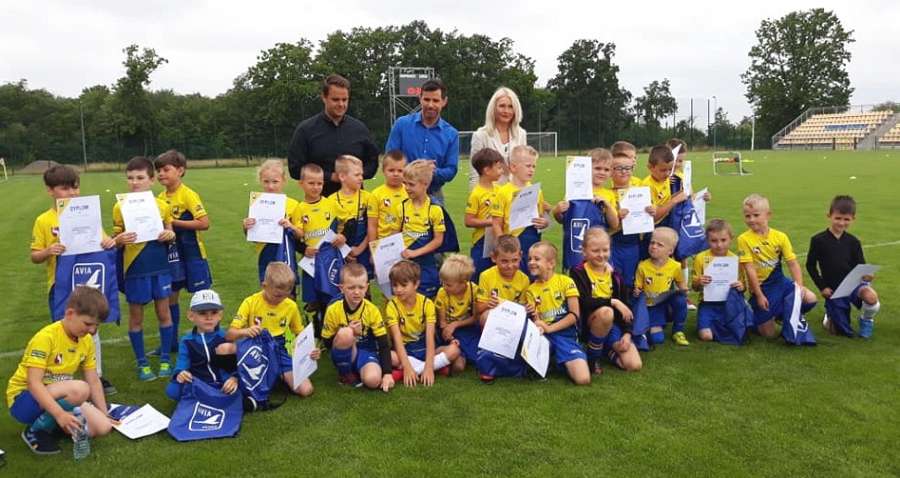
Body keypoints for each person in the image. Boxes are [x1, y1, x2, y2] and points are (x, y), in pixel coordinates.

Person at [30, 164, 117, 394]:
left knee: (91, 329)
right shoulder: (44, 220)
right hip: (60, 286)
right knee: (61, 330)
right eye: (65, 188)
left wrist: (108, 242)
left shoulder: (88, 216)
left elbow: (103, 242)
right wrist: (48, 251)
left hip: (87, 284)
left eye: (75, 187)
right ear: (50, 191)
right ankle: (59, 377)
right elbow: (35, 256)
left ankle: (96, 376)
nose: (72, 193)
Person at [7, 287, 116, 455]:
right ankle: (36, 430)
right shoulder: (46, 337)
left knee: (103, 427)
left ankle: (54, 425)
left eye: (96, 325)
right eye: (88, 324)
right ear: (70, 313)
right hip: (24, 400)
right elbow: (34, 383)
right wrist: (59, 414)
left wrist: (104, 413)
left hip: (56, 394)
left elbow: (94, 380)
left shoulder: (87, 341)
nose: (92, 330)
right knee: (80, 389)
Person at [112, 156, 177, 381]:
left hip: (160, 267)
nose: (134, 182)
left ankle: (166, 359)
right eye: (130, 178)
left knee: (164, 313)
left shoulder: (162, 206)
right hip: (135, 269)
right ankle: (142, 363)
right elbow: (114, 240)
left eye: (140, 178)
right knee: (136, 317)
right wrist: (119, 239)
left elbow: (171, 233)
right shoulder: (119, 207)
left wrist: (169, 234)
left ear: (151, 180)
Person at [226, 262, 319, 397]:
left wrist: (311, 350)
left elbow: (300, 334)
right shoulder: (250, 302)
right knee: (225, 348)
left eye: (286, 295)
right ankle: (240, 375)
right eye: (277, 295)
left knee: (306, 390)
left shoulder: (291, 306)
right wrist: (246, 331)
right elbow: (230, 334)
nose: (281, 299)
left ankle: (277, 374)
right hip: (257, 346)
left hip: (279, 348)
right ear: (264, 286)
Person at [155, 149, 212, 354]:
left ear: (180, 170)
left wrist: (174, 222)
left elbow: (204, 223)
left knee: (201, 296)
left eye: (166, 169)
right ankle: (171, 342)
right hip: (173, 255)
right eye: (158, 171)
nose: (161, 174)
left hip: (193, 253)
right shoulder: (160, 198)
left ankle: (208, 339)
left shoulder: (188, 194)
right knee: (171, 296)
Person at [737, 194, 817, 338]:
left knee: (810, 298)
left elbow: (792, 263)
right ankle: (755, 316)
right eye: (747, 216)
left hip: (780, 282)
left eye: (756, 215)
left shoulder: (780, 237)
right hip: (762, 288)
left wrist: (799, 287)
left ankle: (783, 315)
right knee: (769, 334)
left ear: (768, 215)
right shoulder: (744, 239)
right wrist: (759, 295)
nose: (751, 219)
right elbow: (749, 270)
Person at [287, 74, 379, 197]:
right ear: (324, 97)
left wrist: (356, 175)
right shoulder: (306, 130)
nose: (341, 104)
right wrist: (330, 176)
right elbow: (295, 168)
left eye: (345, 100)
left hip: (355, 202)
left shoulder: (360, 129)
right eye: (335, 99)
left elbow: (372, 162)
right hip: (319, 202)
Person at [806, 195, 879, 338]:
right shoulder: (818, 240)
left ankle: (866, 320)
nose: (841, 223)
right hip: (834, 289)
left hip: (854, 284)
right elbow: (810, 265)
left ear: (853, 219)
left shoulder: (854, 242)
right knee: (838, 331)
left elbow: (861, 265)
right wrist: (822, 287)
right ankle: (830, 314)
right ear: (829, 216)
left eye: (846, 219)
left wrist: (867, 275)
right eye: (838, 218)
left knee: (871, 297)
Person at [569, 228, 641, 374]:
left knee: (633, 365)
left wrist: (627, 333)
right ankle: (593, 357)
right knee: (606, 312)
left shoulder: (615, 276)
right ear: (584, 251)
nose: (601, 255)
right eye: (595, 251)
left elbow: (626, 306)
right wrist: (613, 302)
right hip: (590, 324)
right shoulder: (577, 272)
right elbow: (585, 302)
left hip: (613, 325)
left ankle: (607, 351)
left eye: (605, 250)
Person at [385, 260, 460, 387]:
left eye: (403, 285)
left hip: (426, 348)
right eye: (395, 285)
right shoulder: (392, 306)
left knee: (454, 350)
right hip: (406, 351)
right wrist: (407, 366)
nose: (398, 290)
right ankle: (435, 368)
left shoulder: (427, 304)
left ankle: (409, 372)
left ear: (416, 284)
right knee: (388, 356)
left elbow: (430, 338)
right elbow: (397, 340)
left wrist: (429, 368)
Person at [524, 241, 591, 385]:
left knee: (583, 379)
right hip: (545, 337)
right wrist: (539, 325)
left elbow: (574, 315)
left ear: (551, 263)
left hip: (565, 336)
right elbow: (537, 320)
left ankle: (562, 358)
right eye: (529, 259)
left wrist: (550, 328)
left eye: (536, 259)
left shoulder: (566, 282)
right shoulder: (530, 290)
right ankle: (552, 360)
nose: (531, 262)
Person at [321, 263, 395, 391]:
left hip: (367, 352)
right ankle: (345, 373)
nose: (356, 292)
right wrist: (350, 334)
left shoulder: (372, 310)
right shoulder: (333, 309)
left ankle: (366, 370)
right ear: (341, 288)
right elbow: (327, 342)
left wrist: (387, 373)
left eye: (361, 287)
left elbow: (383, 344)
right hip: (344, 351)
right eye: (351, 288)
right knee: (346, 334)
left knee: (373, 381)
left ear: (367, 287)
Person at [385, 78, 459, 204]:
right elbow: (390, 158)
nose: (430, 105)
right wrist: (415, 170)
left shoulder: (451, 134)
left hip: (434, 196)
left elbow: (451, 170)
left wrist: (431, 172)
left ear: (444, 101)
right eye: (426, 99)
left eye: (435, 100)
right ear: (420, 98)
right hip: (402, 193)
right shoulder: (402, 125)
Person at [474, 235, 531, 384]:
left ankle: (518, 360)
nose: (510, 266)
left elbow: (523, 309)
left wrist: (527, 308)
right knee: (486, 316)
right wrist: (489, 303)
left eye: (514, 260)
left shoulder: (524, 279)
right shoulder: (486, 276)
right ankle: (488, 358)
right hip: (494, 320)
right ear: (494, 258)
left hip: (513, 321)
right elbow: (478, 308)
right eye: (504, 261)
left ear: (520, 256)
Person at [295, 163, 345, 332]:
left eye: (319, 183)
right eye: (311, 183)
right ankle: (317, 331)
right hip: (311, 262)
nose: (316, 187)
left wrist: (343, 236)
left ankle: (331, 330)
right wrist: (304, 249)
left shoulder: (330, 203)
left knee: (330, 295)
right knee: (314, 299)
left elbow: (347, 222)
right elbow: (296, 236)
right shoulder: (299, 209)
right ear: (301, 184)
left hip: (329, 260)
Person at [165, 289, 238, 400]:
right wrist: (181, 372)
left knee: (237, 386)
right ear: (191, 316)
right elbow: (182, 361)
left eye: (214, 312)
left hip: (222, 378)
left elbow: (234, 363)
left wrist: (234, 378)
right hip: (197, 379)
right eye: (202, 313)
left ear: (220, 315)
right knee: (173, 390)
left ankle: (212, 395)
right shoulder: (187, 341)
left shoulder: (225, 337)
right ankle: (207, 395)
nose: (209, 317)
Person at [242, 159, 302, 288]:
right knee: (268, 289)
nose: (270, 186)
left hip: (286, 254)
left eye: (275, 181)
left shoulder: (293, 204)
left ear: (283, 181)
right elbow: (253, 237)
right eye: (266, 181)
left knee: (287, 289)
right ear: (260, 181)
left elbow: (300, 235)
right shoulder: (257, 203)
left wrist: (290, 226)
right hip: (265, 254)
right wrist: (246, 227)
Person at [495, 145, 550, 276]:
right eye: (528, 166)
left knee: (532, 275)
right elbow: (496, 222)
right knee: (513, 276)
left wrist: (545, 223)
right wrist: (502, 244)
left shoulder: (537, 191)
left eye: (534, 166)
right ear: (513, 167)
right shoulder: (503, 192)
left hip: (533, 241)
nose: (532, 170)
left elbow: (541, 217)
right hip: (512, 242)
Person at [395, 160, 447, 298]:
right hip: (406, 265)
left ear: (425, 184)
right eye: (405, 183)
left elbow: (438, 240)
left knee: (426, 301)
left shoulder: (435, 209)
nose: (406, 188)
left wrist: (415, 252)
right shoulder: (402, 207)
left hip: (427, 265)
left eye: (411, 184)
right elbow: (395, 236)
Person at [608, 151, 655, 295]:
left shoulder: (640, 194)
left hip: (633, 244)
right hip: (612, 244)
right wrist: (616, 217)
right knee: (613, 279)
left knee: (630, 281)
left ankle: (630, 306)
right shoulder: (606, 194)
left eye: (627, 168)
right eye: (619, 168)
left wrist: (651, 212)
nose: (624, 171)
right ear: (610, 171)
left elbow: (649, 221)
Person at [633, 227, 690, 346]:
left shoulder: (675, 266)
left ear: (670, 251)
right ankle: (652, 325)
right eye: (652, 243)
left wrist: (684, 289)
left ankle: (678, 330)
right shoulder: (642, 266)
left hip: (666, 302)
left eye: (660, 245)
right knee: (657, 339)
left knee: (680, 300)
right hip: (651, 305)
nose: (654, 246)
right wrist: (637, 291)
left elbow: (681, 283)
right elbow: (638, 287)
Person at [692, 219, 746, 342]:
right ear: (707, 240)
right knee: (706, 336)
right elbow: (694, 287)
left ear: (731, 239)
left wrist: (741, 286)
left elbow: (743, 287)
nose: (719, 245)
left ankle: (720, 325)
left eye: (723, 240)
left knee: (741, 331)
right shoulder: (701, 258)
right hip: (707, 304)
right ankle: (710, 324)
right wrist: (699, 281)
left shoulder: (735, 259)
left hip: (729, 304)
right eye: (714, 241)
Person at [468, 87, 528, 188]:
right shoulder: (480, 135)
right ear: (493, 108)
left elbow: (523, 170)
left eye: (510, 106)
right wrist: (476, 196)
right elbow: (475, 174)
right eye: (502, 106)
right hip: (491, 194)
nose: (506, 111)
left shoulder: (521, 134)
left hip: (515, 193)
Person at [434, 254, 481, 373]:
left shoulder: (474, 290)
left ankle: (449, 360)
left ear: (463, 282)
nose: (444, 286)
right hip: (449, 332)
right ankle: (443, 353)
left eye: (448, 284)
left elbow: (475, 318)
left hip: (468, 328)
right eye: (442, 282)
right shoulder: (442, 293)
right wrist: (450, 337)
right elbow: (442, 323)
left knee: (477, 356)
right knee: (459, 366)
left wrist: (455, 324)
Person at [328, 155, 372, 272]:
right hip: (340, 252)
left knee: (364, 281)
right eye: (357, 175)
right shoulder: (330, 201)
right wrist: (345, 251)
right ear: (342, 176)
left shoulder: (369, 198)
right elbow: (330, 232)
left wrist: (359, 249)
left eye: (361, 174)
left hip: (363, 250)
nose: (361, 178)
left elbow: (372, 227)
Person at [465, 148, 504, 279]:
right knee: (479, 276)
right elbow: (468, 221)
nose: (502, 171)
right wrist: (491, 222)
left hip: (497, 238)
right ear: (487, 170)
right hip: (481, 242)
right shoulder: (476, 194)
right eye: (498, 168)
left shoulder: (500, 190)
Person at [366, 150, 408, 241]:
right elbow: (372, 225)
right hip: (384, 243)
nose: (396, 174)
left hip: (407, 243)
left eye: (400, 171)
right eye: (391, 170)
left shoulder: (410, 192)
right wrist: (374, 247)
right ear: (383, 171)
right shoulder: (376, 194)